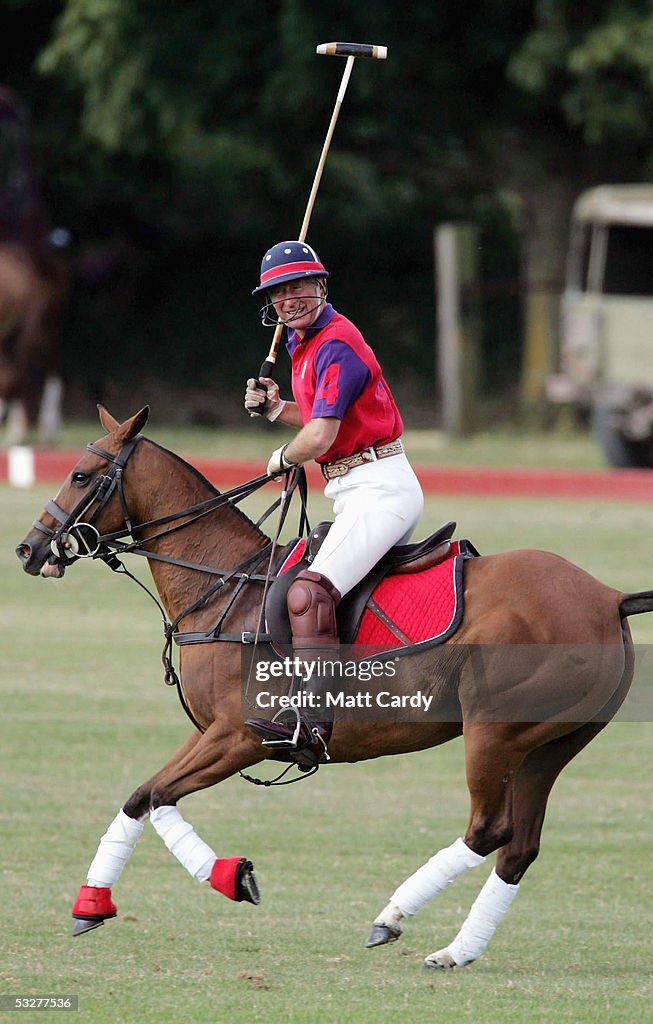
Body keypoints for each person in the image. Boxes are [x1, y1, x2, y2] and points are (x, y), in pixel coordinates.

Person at [244, 240, 424, 766]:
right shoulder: (307, 343)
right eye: (279, 292)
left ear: (321, 286)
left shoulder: (336, 342)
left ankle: (313, 725)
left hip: (379, 488)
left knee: (307, 594)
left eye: (299, 285)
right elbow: (324, 416)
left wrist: (279, 457)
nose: (289, 298)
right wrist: (279, 410)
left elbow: (321, 437)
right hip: (355, 489)